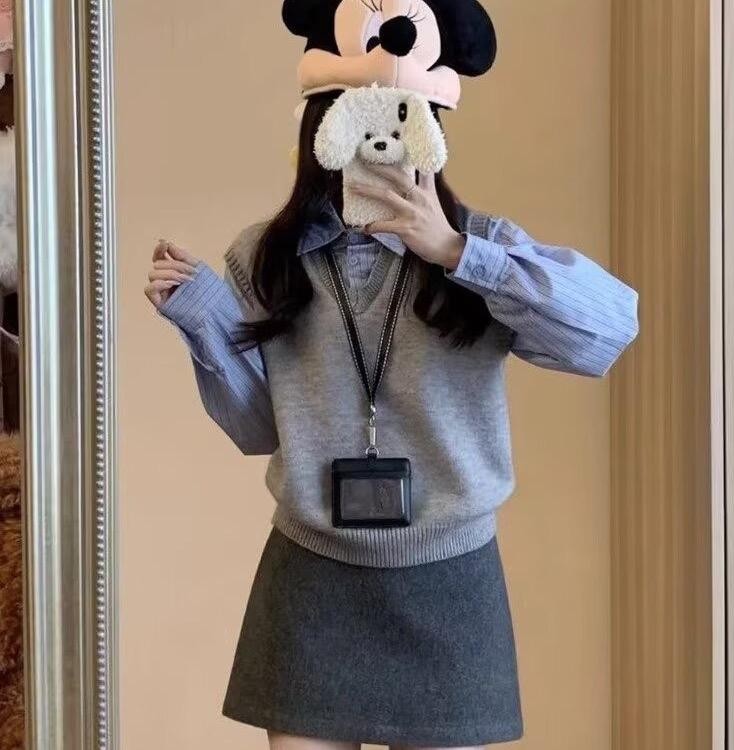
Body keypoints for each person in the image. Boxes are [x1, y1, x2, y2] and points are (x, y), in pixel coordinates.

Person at [144, 4, 639, 750]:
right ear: (321, 129)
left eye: (402, 121)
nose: (379, 147)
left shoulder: (482, 250)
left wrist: (456, 254)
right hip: (312, 575)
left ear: (431, 134)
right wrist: (203, 316)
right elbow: (260, 429)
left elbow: (608, 329)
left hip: (452, 576)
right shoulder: (268, 257)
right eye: (358, 120)